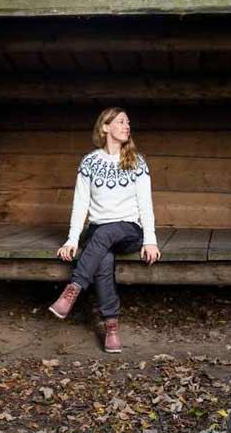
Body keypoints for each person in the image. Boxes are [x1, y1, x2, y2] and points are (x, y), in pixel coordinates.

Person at [48, 107, 161, 353]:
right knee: (103, 257)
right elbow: (81, 204)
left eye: (128, 122)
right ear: (105, 127)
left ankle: (73, 289)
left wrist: (150, 240)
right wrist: (72, 240)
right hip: (99, 232)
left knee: (105, 234)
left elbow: (145, 204)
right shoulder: (90, 162)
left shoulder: (136, 161)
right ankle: (112, 326)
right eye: (121, 121)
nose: (127, 126)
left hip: (129, 231)